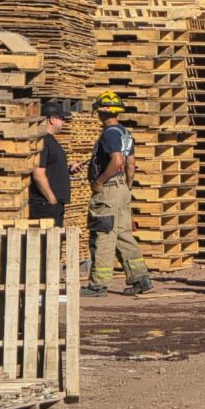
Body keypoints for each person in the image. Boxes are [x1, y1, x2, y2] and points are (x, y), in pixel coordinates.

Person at [81, 91, 153, 298]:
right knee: (123, 235)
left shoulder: (109, 134)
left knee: (103, 236)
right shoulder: (125, 133)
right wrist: (126, 188)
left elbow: (117, 161)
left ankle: (98, 285)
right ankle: (140, 278)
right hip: (122, 189)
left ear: (101, 112)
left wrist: (99, 182)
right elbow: (131, 164)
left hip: (109, 191)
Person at [28, 100, 83, 227]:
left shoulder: (51, 140)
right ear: (52, 119)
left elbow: (50, 167)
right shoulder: (42, 141)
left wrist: (69, 169)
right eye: (62, 118)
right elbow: (38, 174)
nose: (64, 121)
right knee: (47, 245)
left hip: (52, 205)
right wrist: (52, 200)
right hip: (45, 205)